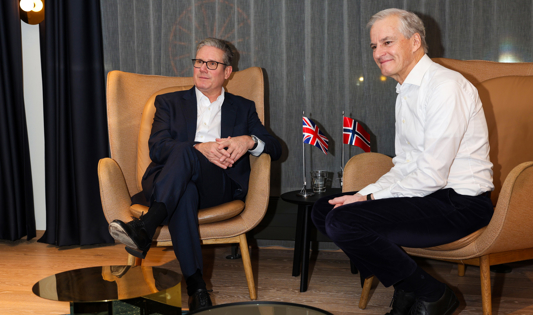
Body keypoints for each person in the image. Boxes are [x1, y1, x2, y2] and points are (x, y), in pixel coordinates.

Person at [311, 9, 494, 315]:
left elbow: (432, 174)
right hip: (428, 196)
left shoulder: (445, 86)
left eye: (387, 42)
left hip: (460, 204)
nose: (379, 53)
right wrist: (362, 195)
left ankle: (433, 293)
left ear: (415, 41)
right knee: (325, 209)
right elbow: (405, 166)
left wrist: (368, 198)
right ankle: (409, 289)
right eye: (374, 46)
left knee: (344, 221)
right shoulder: (406, 90)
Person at [108, 38, 282, 312]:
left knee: (188, 168)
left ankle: (146, 226)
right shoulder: (168, 102)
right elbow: (157, 148)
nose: (202, 68)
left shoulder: (243, 107)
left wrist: (247, 141)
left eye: (211, 63)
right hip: (167, 180)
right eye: (199, 61)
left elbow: (274, 147)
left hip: (218, 184)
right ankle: (197, 288)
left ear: (227, 72)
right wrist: (200, 148)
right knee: (185, 182)